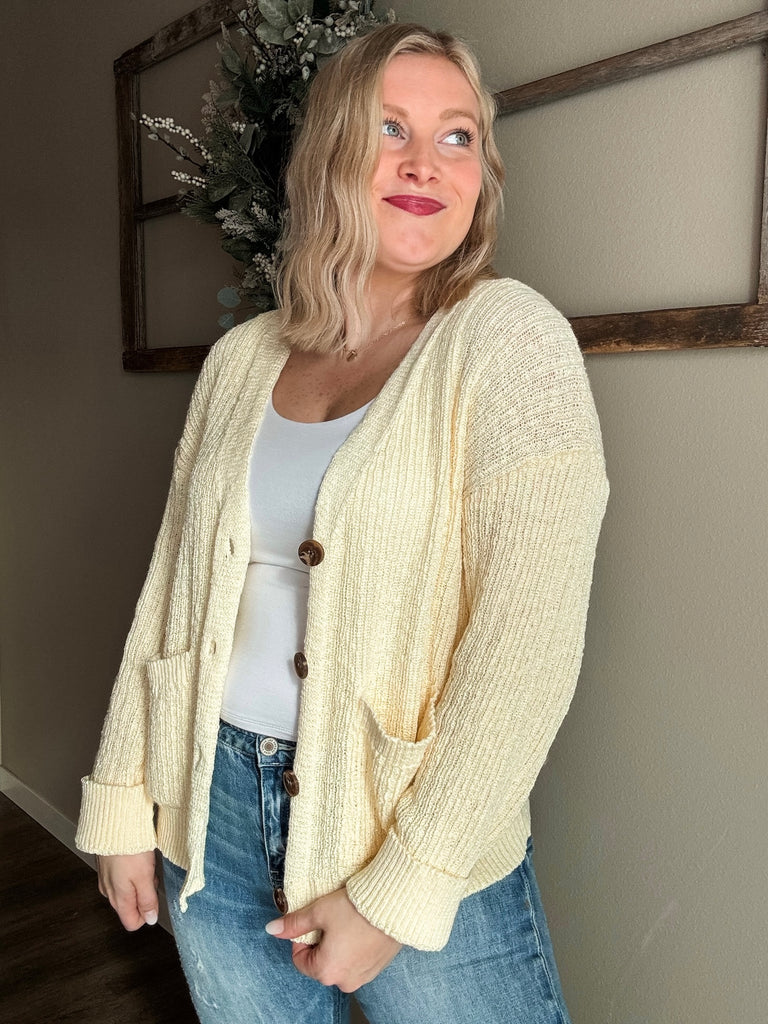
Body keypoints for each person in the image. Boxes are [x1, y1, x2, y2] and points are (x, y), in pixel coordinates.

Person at [76, 22, 608, 1024]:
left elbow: (526, 650)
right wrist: (122, 793)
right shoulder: (243, 359)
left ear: (481, 176)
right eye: (389, 128)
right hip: (213, 803)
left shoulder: (509, 341)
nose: (423, 162)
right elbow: (173, 592)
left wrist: (403, 883)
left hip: (408, 821)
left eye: (456, 137)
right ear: (329, 156)